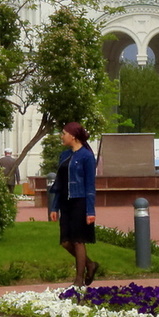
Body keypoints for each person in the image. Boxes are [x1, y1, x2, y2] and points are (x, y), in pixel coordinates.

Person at [47, 122, 99, 286]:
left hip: (80, 201)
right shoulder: (64, 156)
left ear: (73, 136)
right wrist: (54, 206)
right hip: (65, 202)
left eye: (64, 133)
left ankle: (78, 280)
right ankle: (90, 264)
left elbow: (90, 185)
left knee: (78, 240)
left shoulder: (87, 156)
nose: (61, 136)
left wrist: (90, 211)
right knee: (65, 242)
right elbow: (59, 183)